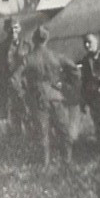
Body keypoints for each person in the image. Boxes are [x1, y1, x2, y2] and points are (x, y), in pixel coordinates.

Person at [23, 25, 71, 166]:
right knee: (63, 130)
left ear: (34, 40)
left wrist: (26, 93)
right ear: (46, 39)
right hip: (56, 97)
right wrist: (65, 86)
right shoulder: (55, 56)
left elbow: (16, 78)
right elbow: (74, 71)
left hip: (38, 99)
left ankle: (44, 164)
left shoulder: (28, 59)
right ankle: (66, 161)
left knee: (42, 134)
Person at [0, 17, 31, 136]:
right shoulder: (0, 49)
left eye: (16, 28)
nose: (13, 31)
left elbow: (33, 65)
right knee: (13, 120)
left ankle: (33, 143)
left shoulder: (27, 46)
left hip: (24, 88)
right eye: (10, 29)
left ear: (20, 29)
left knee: (30, 116)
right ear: (6, 30)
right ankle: (18, 143)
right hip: (9, 90)